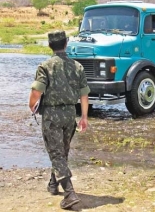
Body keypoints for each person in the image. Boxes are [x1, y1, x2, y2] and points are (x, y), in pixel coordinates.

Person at [28, 30, 90, 209]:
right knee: (62, 151)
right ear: (65, 44)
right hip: (70, 113)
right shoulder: (77, 66)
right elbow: (84, 94)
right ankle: (53, 184)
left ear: (50, 46)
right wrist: (84, 117)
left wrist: (31, 105)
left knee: (56, 153)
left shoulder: (45, 66)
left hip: (51, 116)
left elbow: (36, 92)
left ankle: (70, 193)